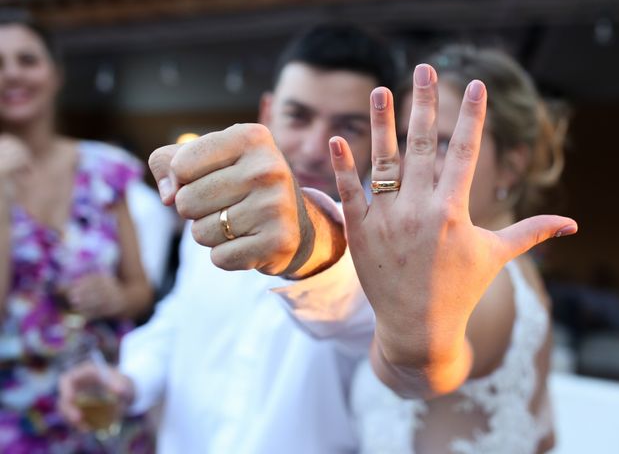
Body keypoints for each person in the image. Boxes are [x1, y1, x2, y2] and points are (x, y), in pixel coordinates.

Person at [59, 23, 398, 454]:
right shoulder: (212, 211)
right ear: (267, 112)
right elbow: (180, 318)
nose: (314, 147)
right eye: (298, 116)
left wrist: (307, 248)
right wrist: (128, 380)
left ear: (381, 135)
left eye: (347, 127)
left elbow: (358, 318)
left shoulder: (390, 247)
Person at [328, 47, 578, 453]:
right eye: (410, 139)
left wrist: (412, 350)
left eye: (442, 143)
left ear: (512, 166)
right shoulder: (519, 275)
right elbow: (543, 432)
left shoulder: (485, 285)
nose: (416, 162)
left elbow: (426, 369)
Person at [0, 11, 154, 452]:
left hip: (104, 398)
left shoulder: (106, 168)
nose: (12, 73)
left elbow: (142, 288)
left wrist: (117, 297)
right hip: (16, 412)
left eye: (27, 59)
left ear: (54, 73)